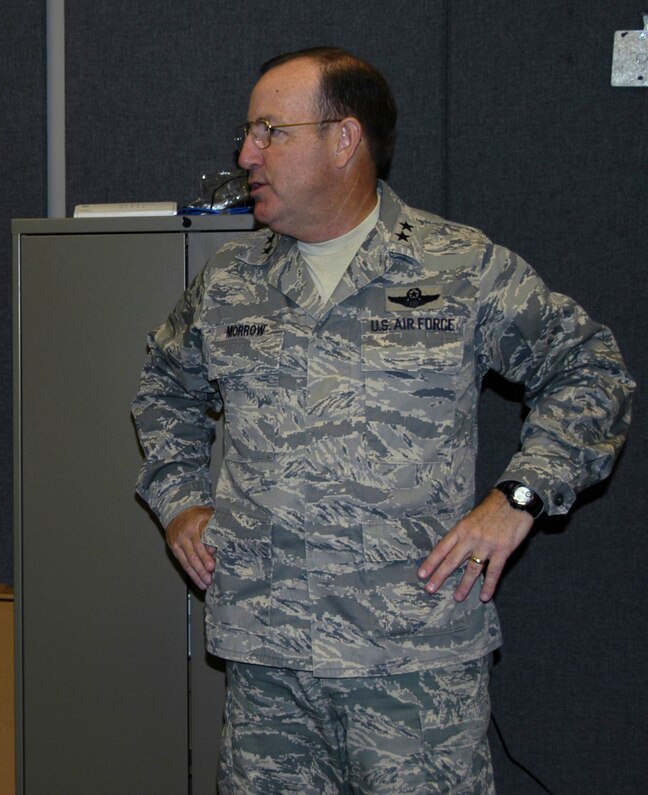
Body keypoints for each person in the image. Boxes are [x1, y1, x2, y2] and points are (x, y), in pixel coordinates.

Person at [132, 48, 634, 793]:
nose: (247, 154)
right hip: (271, 669)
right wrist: (180, 502)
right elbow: (163, 388)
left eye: (270, 131)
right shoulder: (231, 284)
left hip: (414, 674)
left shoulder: (458, 266)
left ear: (344, 139)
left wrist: (520, 497)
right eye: (247, 133)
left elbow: (591, 369)